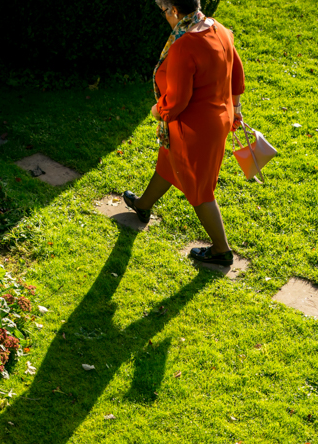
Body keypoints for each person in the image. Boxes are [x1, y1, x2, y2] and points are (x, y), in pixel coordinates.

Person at [123, 0, 245, 268]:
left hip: (195, 128)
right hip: (218, 118)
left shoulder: (183, 46)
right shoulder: (219, 28)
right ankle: (143, 205)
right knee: (168, 159)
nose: (165, 16)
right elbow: (237, 72)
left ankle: (221, 251)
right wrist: (235, 106)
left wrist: (159, 111)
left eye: (165, 11)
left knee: (200, 189)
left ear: (175, 11)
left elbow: (177, 100)